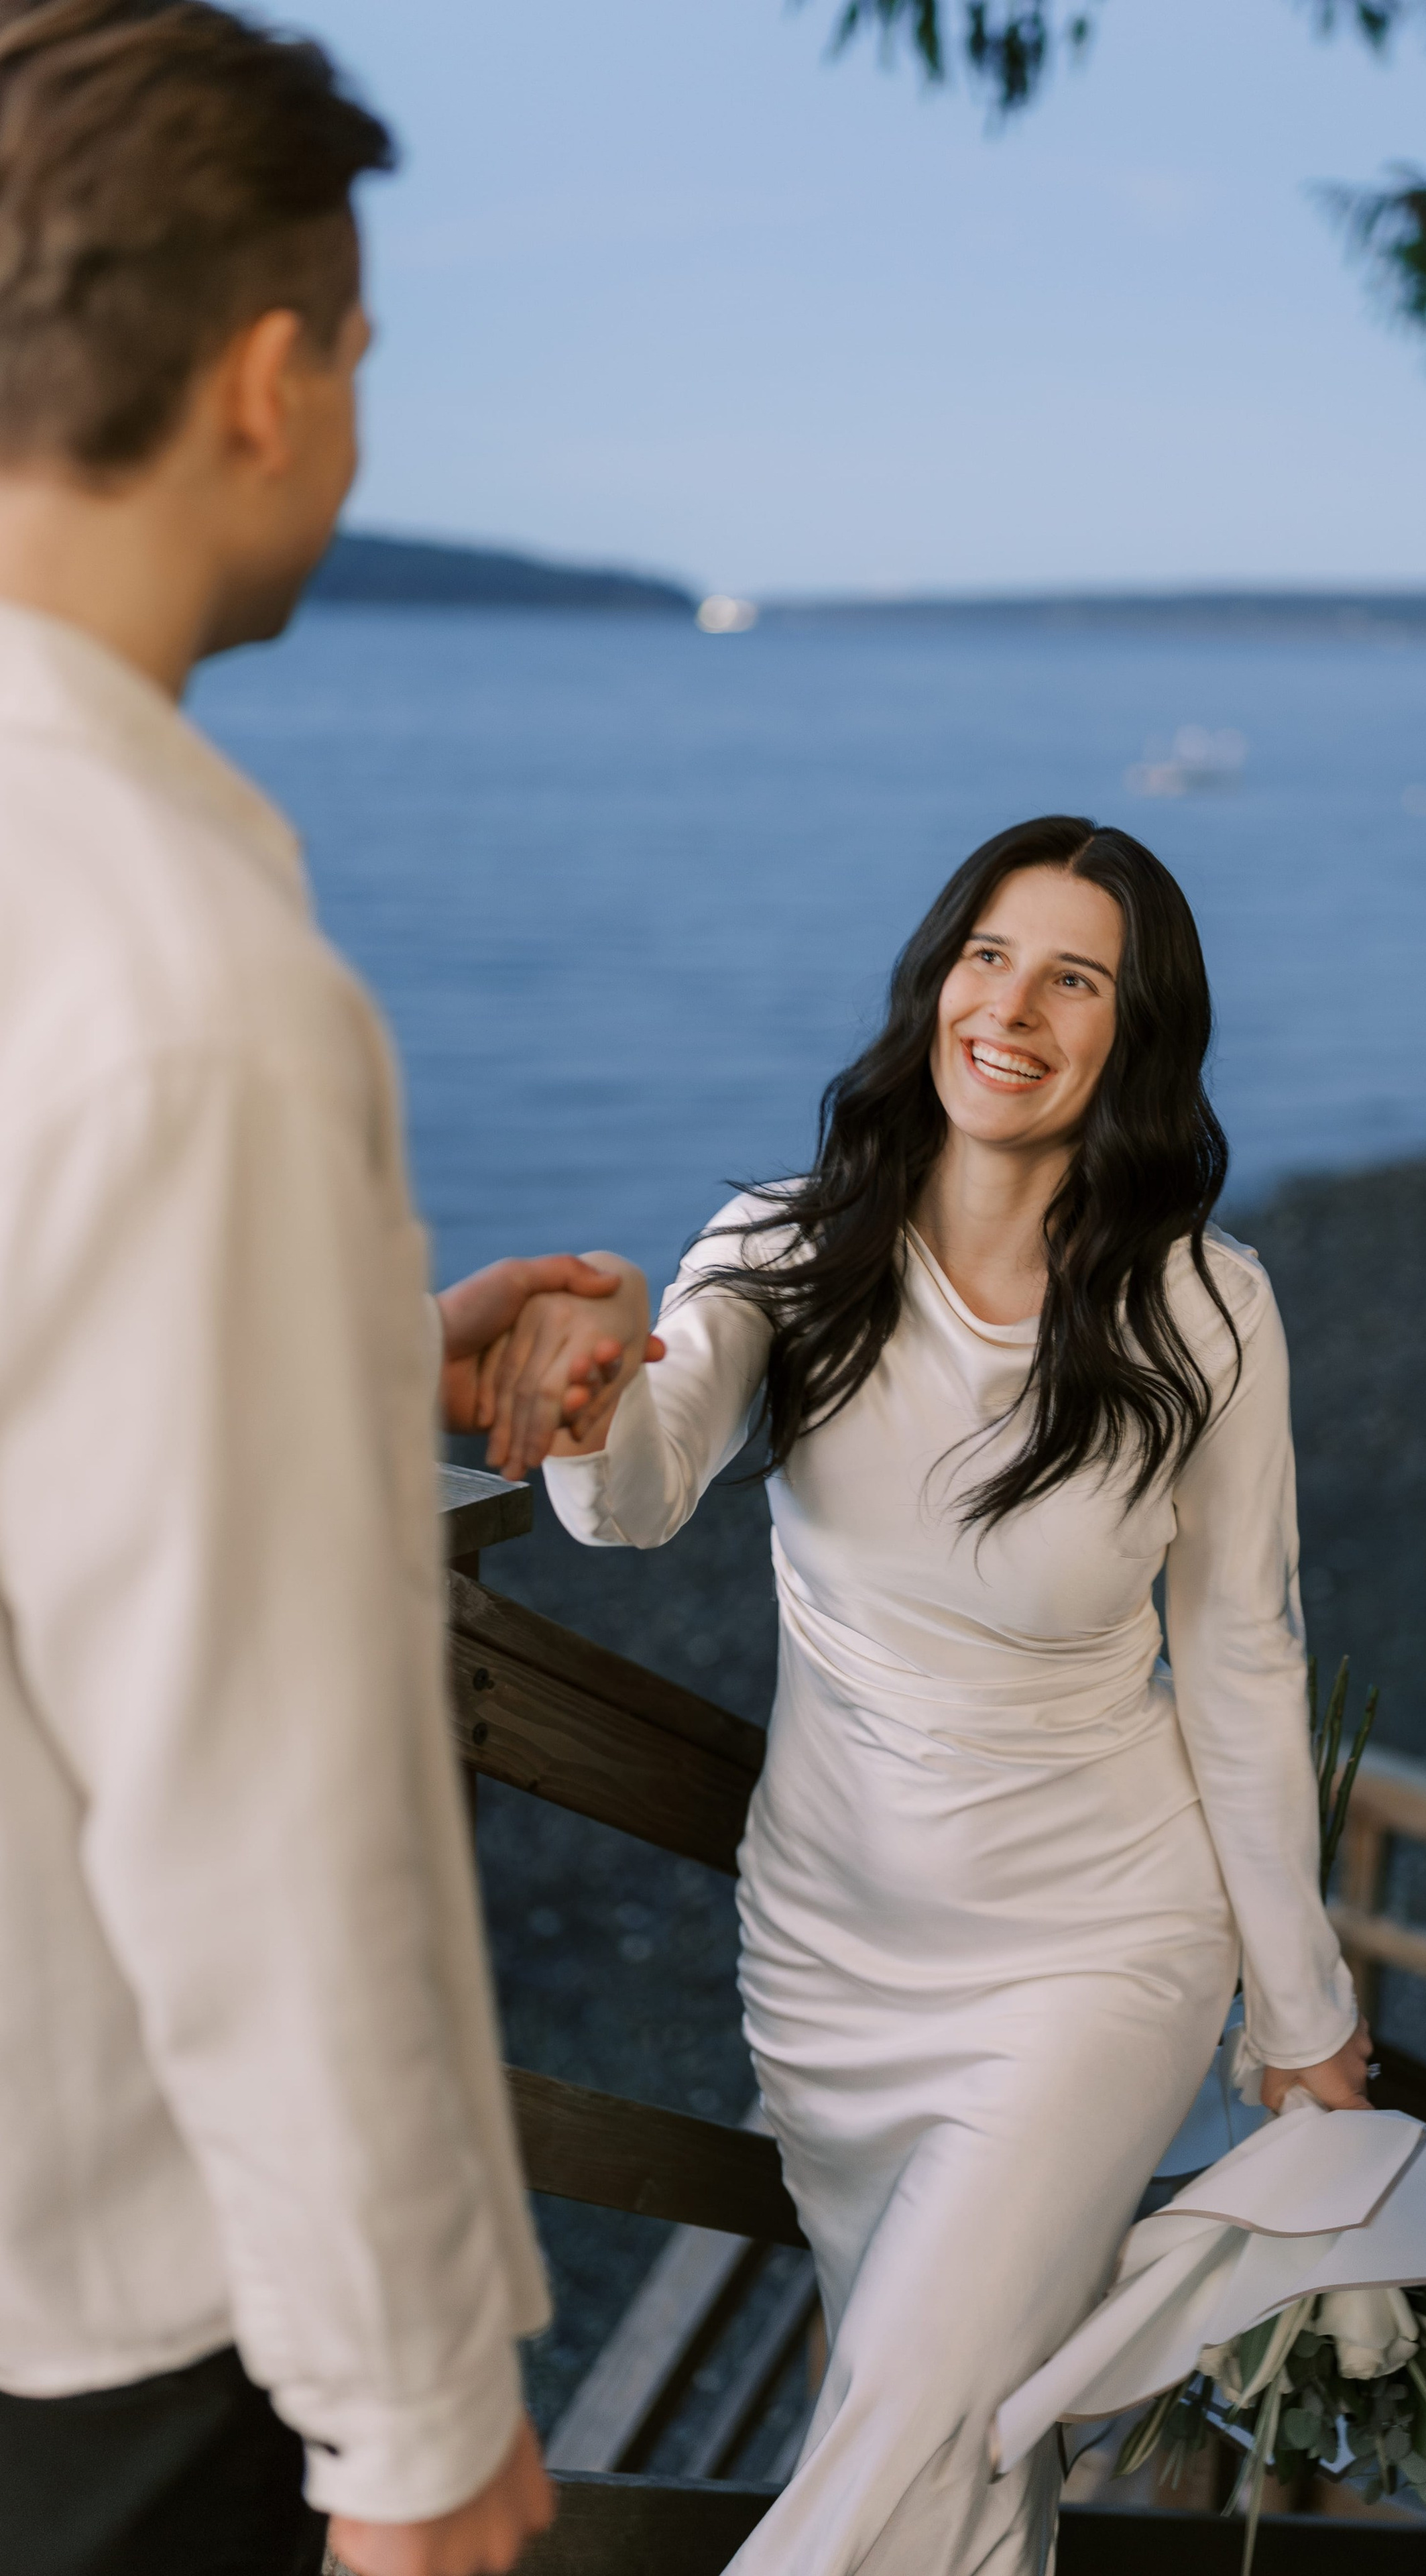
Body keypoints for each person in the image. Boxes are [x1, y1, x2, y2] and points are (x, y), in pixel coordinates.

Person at [0, 6, 651, 2572]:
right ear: (271, 381)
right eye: (364, 349)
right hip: (112, 2303)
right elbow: (260, 1787)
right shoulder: (187, 987)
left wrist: (352, 1357)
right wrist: (405, 2425)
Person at [524, 816, 1371, 2573]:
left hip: (1096, 1954)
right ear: (934, 981)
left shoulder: (1208, 1313)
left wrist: (1300, 2008)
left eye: (1080, 977)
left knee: (906, 2408)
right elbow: (640, 1491)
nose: (1018, 1003)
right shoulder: (780, 1248)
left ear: (1136, 1039)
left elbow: (1238, 1668)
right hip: (834, 1963)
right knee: (964, 2456)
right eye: (991, 953)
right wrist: (590, 1392)